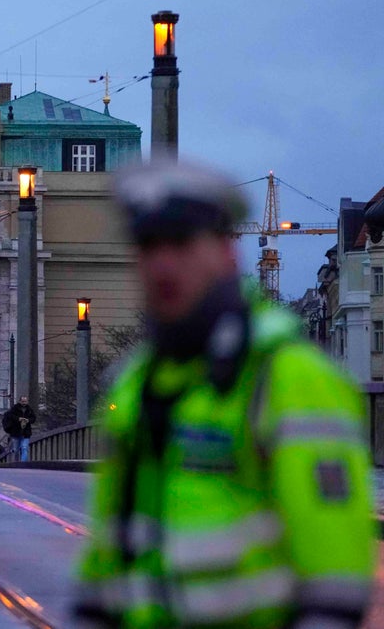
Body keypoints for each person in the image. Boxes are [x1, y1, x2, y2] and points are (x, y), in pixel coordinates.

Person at [73, 161, 375, 628]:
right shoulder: (135, 382)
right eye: (149, 245)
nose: (163, 264)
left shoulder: (290, 377)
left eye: (182, 242)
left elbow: (334, 582)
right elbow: (110, 556)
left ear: (225, 252)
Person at [2, 395, 36, 461]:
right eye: (23, 401)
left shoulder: (29, 409)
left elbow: (34, 418)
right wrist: (18, 419)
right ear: (20, 401)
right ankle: (16, 463)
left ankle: (23, 464)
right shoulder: (14, 408)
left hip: (26, 433)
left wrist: (28, 420)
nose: (24, 403)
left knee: (24, 447)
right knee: (16, 450)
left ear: (27, 402)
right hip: (16, 432)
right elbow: (10, 416)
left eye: (25, 401)